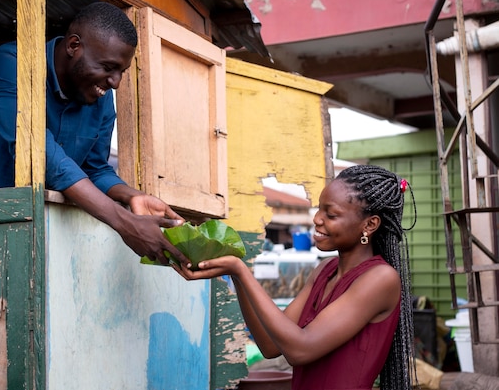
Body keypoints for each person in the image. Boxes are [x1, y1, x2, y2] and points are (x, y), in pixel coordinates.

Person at [0, 1, 191, 268]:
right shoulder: (13, 66)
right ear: (73, 46)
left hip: (32, 234)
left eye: (121, 72)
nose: (115, 82)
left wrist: (131, 196)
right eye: (108, 67)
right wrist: (125, 222)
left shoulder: (100, 96)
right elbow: (43, 155)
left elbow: (94, 169)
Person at [175, 165, 417, 390]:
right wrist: (236, 276)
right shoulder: (324, 270)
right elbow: (270, 346)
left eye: (331, 214)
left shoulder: (380, 278)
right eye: (319, 209)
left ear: (370, 224)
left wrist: (241, 271)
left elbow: (300, 350)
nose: (317, 219)